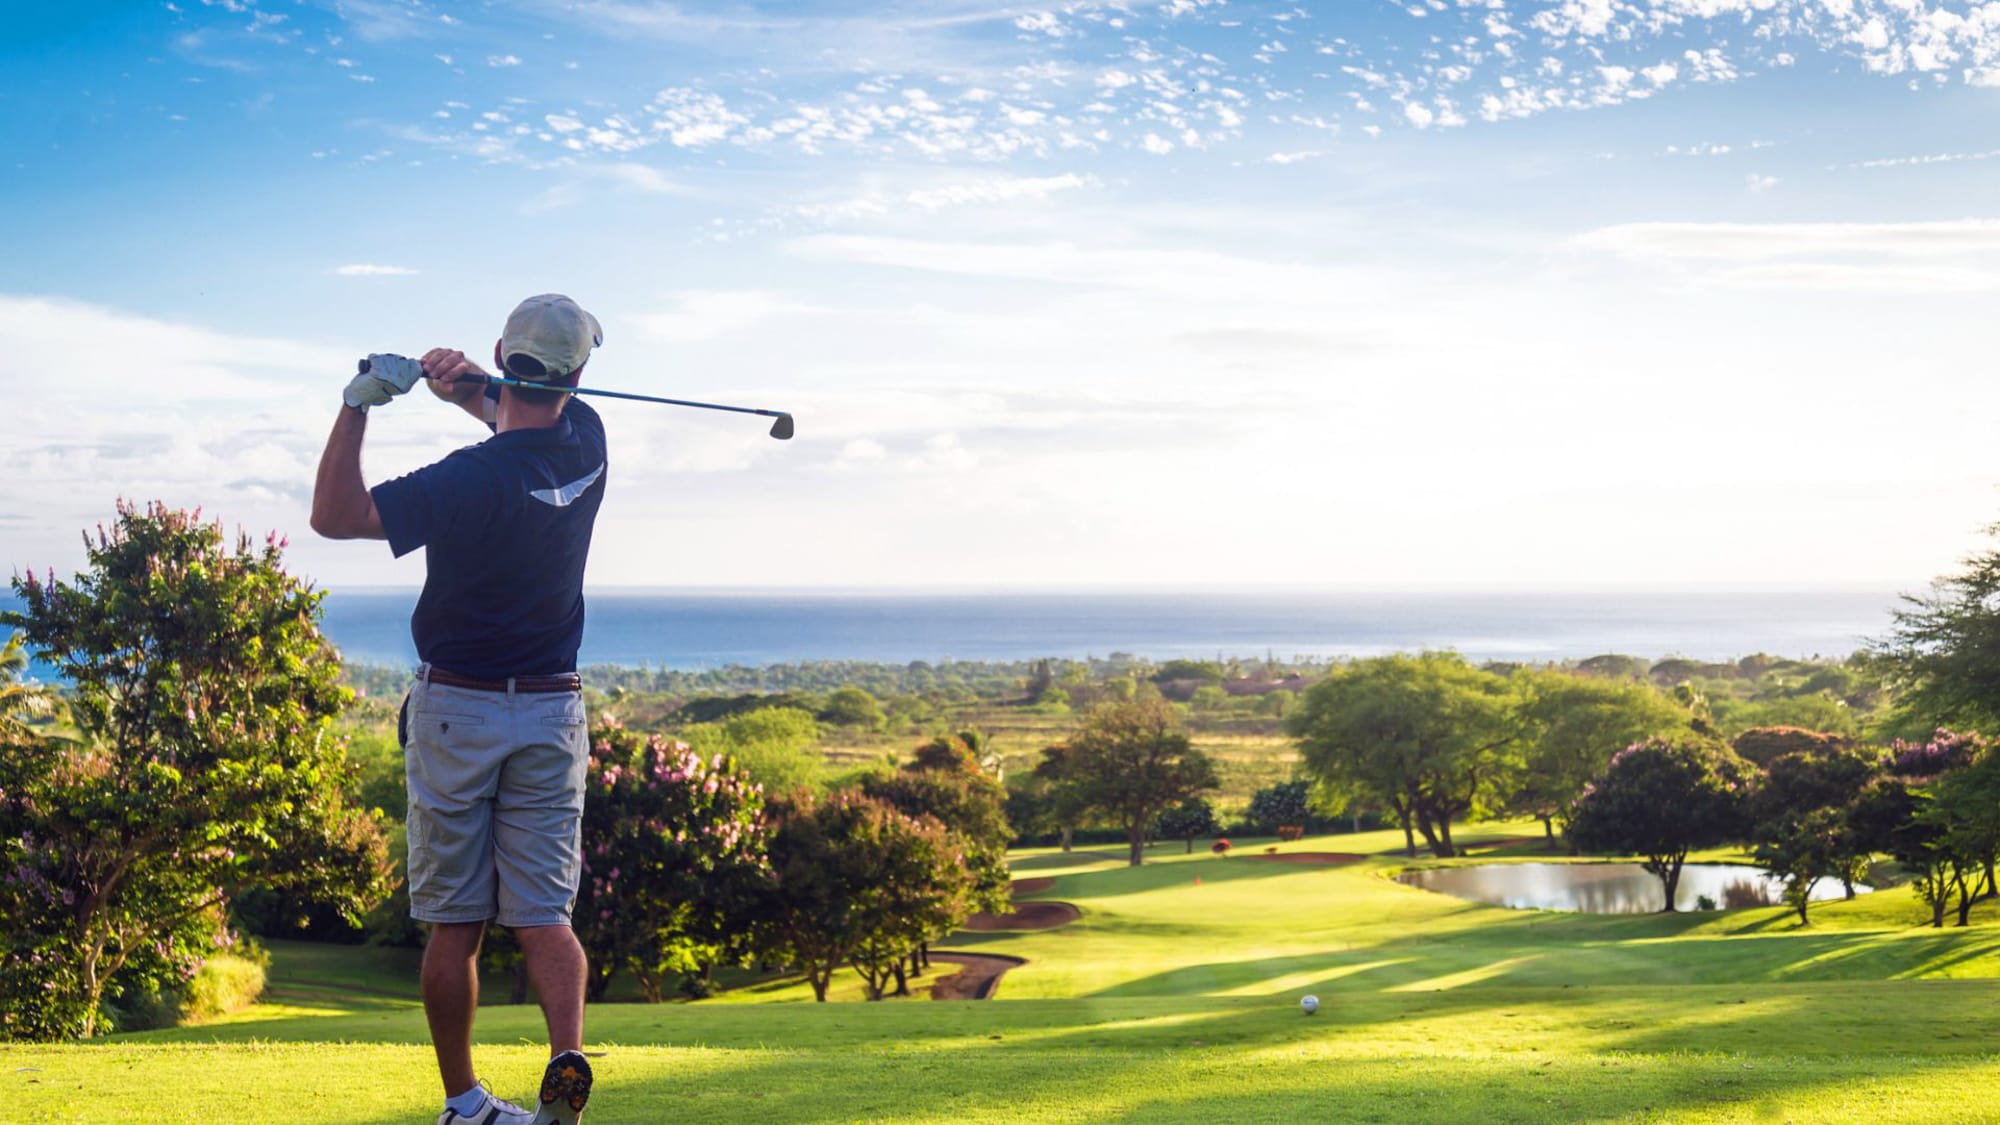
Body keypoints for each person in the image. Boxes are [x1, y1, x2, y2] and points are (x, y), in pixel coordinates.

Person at [310, 294, 609, 1125]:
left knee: (457, 922)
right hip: (552, 711)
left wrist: (357, 404)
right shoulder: (588, 440)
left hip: (458, 714)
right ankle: (565, 1063)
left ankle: (464, 1101)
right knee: (545, 913)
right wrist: (467, 390)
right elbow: (517, 414)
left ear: (501, 353)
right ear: (578, 374)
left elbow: (335, 516)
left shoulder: (464, 480)